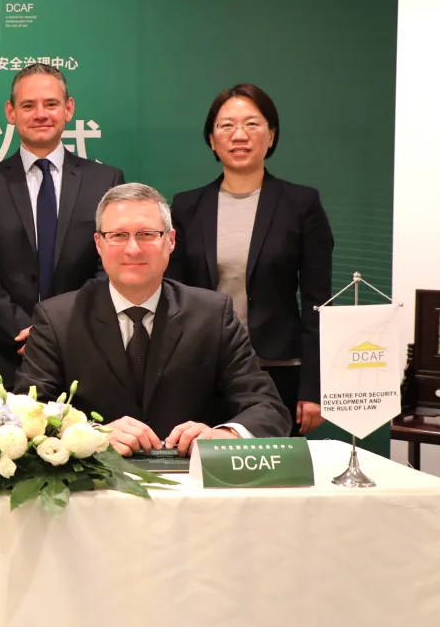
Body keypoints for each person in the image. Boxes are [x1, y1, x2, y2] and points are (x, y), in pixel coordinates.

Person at [16, 183, 290, 455]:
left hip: (190, 475)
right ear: (99, 243)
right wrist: (94, 436)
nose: (133, 249)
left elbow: (267, 407)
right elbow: (27, 414)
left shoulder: (213, 314)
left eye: (147, 234)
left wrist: (224, 435)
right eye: (118, 235)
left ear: (170, 240)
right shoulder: (57, 319)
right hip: (96, 476)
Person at [167, 84, 333, 435]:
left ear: (271, 136)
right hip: (203, 368)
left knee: (271, 466)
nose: (239, 135)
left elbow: (318, 303)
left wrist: (314, 388)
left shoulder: (301, 204)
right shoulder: (186, 206)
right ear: (212, 139)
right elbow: (175, 298)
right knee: (200, 461)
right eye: (226, 125)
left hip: (278, 369)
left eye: (252, 124)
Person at [0, 63, 125, 388]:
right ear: (11, 112)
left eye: (50, 104)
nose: (40, 114)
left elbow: (111, 264)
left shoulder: (105, 180)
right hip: (5, 354)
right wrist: (21, 329)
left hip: (85, 349)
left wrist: (59, 327)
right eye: (28, 105)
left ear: (68, 109)